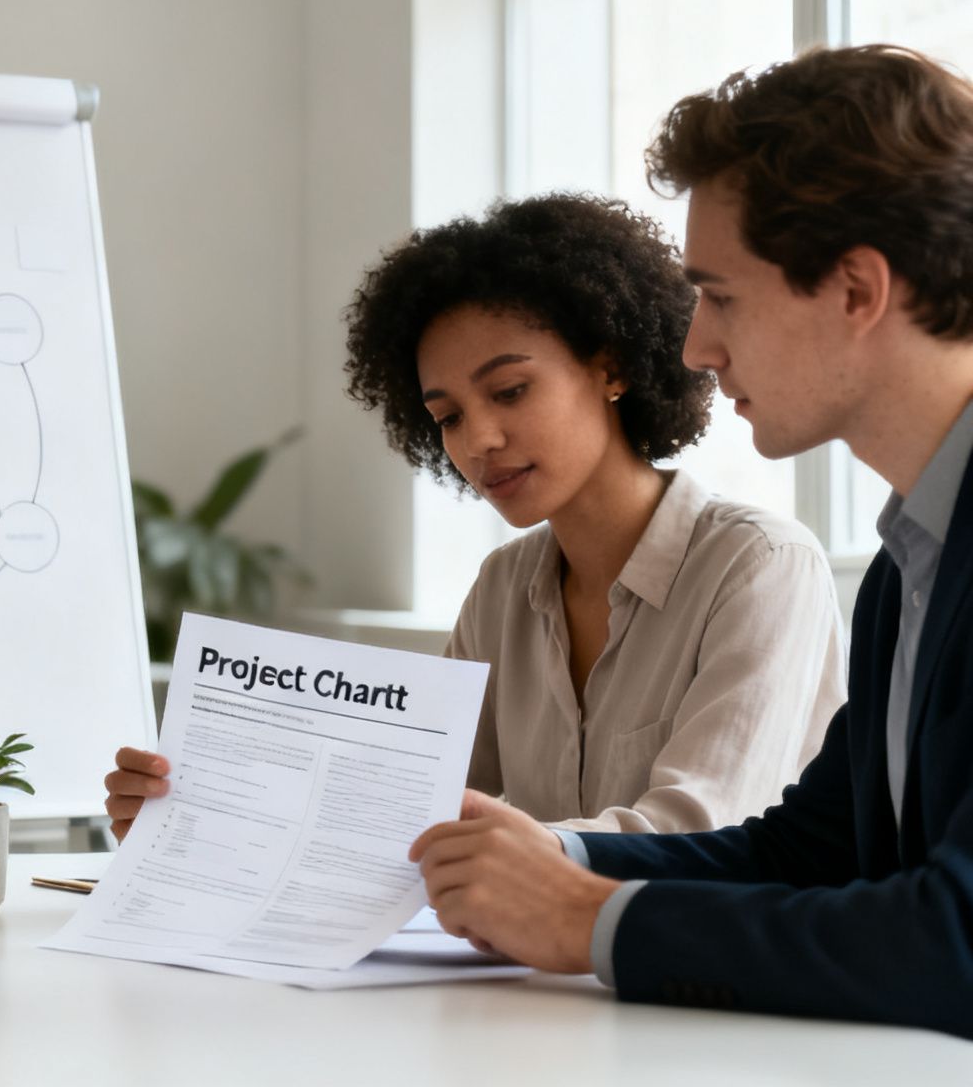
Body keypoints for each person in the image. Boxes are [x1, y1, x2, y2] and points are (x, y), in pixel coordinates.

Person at [410, 44, 973, 1039]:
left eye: (720, 296)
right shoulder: (907, 568)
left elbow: (955, 940)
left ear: (853, 291)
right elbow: (813, 850)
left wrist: (585, 918)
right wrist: (544, 861)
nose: (694, 348)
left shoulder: (852, 560)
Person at [105, 194, 844, 840]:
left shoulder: (759, 567)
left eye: (511, 391)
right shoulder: (504, 588)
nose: (477, 441)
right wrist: (202, 812)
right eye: (448, 415)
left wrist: (492, 850)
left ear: (611, 366)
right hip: (540, 985)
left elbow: (699, 832)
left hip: (708, 989)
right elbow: (413, 810)